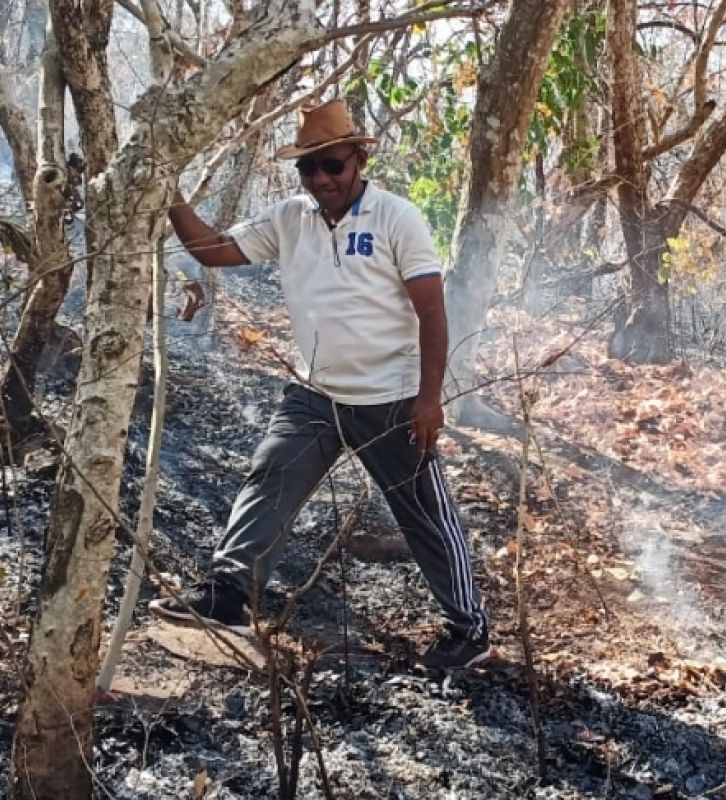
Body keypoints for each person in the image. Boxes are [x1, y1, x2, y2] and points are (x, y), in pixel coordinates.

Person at [150, 98, 490, 670]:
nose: (321, 179)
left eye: (332, 165)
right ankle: (229, 595)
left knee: (424, 514)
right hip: (315, 393)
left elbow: (433, 313)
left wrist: (430, 399)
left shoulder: (396, 218)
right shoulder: (289, 219)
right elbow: (212, 249)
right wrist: (171, 197)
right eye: (309, 169)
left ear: (358, 159)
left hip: (392, 399)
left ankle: (468, 628)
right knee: (271, 477)